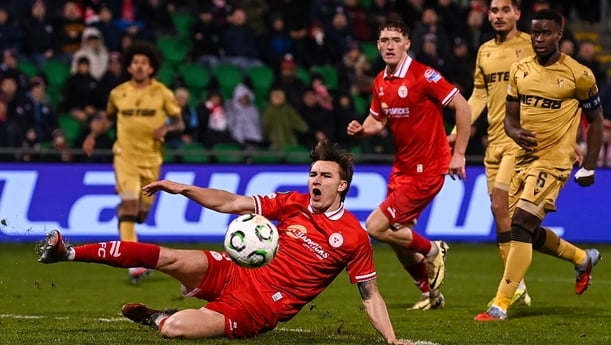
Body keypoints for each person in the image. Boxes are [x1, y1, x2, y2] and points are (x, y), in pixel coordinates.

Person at [37, 140, 412, 345]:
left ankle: (157, 317)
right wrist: (183, 188)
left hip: (258, 308)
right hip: (235, 271)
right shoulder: (293, 203)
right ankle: (67, 252)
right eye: (313, 173)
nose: (315, 180)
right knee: (165, 256)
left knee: (175, 330)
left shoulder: (353, 237)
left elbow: (370, 296)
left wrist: (393, 341)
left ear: (341, 185)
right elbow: (232, 203)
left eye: (325, 176)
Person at [474, 9, 604, 321]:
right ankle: (582, 258)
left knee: (519, 225)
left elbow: (596, 122)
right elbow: (510, 116)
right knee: (527, 233)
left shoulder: (579, 74)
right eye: (535, 33)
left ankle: (501, 302)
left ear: (560, 34)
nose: (539, 39)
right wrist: (515, 131)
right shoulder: (519, 69)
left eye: (546, 33)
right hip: (522, 160)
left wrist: (588, 164)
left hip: (554, 162)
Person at [347, 20, 471, 310]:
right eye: (384, 40)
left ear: (407, 44)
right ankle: (432, 294)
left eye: (395, 40)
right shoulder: (381, 81)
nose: (389, 45)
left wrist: (459, 154)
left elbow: (463, 107)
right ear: (377, 45)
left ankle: (432, 249)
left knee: (375, 227)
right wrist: (362, 129)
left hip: (427, 169)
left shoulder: (424, 76)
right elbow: (377, 119)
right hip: (401, 168)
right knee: (396, 238)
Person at [451, 0, 536, 308]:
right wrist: (457, 131)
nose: (498, 16)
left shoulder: (531, 45)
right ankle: (572, 260)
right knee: (503, 214)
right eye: (494, 11)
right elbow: (479, 95)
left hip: (522, 142)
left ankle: (508, 289)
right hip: (494, 144)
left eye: (505, 10)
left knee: (504, 208)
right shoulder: (484, 51)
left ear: (517, 14)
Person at [82, 42, 184, 283]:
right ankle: (135, 263)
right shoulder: (118, 94)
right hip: (124, 156)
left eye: (144, 63)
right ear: (129, 66)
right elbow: (107, 120)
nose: (139, 66)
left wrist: (166, 128)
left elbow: (180, 123)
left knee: (140, 215)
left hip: (151, 159)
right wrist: (93, 135)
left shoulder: (163, 93)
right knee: (129, 207)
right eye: (135, 62)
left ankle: (126, 222)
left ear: (151, 68)